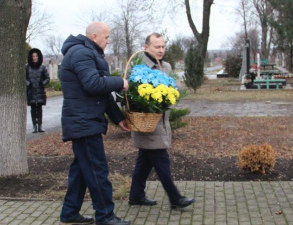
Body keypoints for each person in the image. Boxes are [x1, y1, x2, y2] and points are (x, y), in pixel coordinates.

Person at [59, 22, 131, 225]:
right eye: (106, 37)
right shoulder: (81, 54)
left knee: (82, 169)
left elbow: (101, 92)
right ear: (94, 36)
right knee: (97, 171)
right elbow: (94, 84)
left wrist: (118, 118)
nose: (109, 41)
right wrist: (120, 82)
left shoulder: (88, 53)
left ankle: (69, 212)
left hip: (85, 121)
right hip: (84, 123)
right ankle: (105, 216)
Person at [128, 33, 194, 209]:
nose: (161, 50)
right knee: (161, 158)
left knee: (145, 161)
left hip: (161, 121)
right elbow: (129, 96)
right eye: (157, 46)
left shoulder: (166, 66)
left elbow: (175, 88)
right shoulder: (138, 67)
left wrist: (173, 90)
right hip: (147, 122)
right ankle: (175, 198)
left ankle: (136, 195)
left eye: (163, 46)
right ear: (146, 47)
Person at [26, 48, 50, 133]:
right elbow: (23, 78)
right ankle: (34, 126)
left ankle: (39, 125)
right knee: (33, 109)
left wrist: (42, 83)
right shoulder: (27, 67)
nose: (35, 57)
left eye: (36, 56)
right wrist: (28, 83)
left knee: (39, 108)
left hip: (40, 90)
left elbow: (47, 78)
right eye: (33, 56)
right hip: (31, 91)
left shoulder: (43, 67)